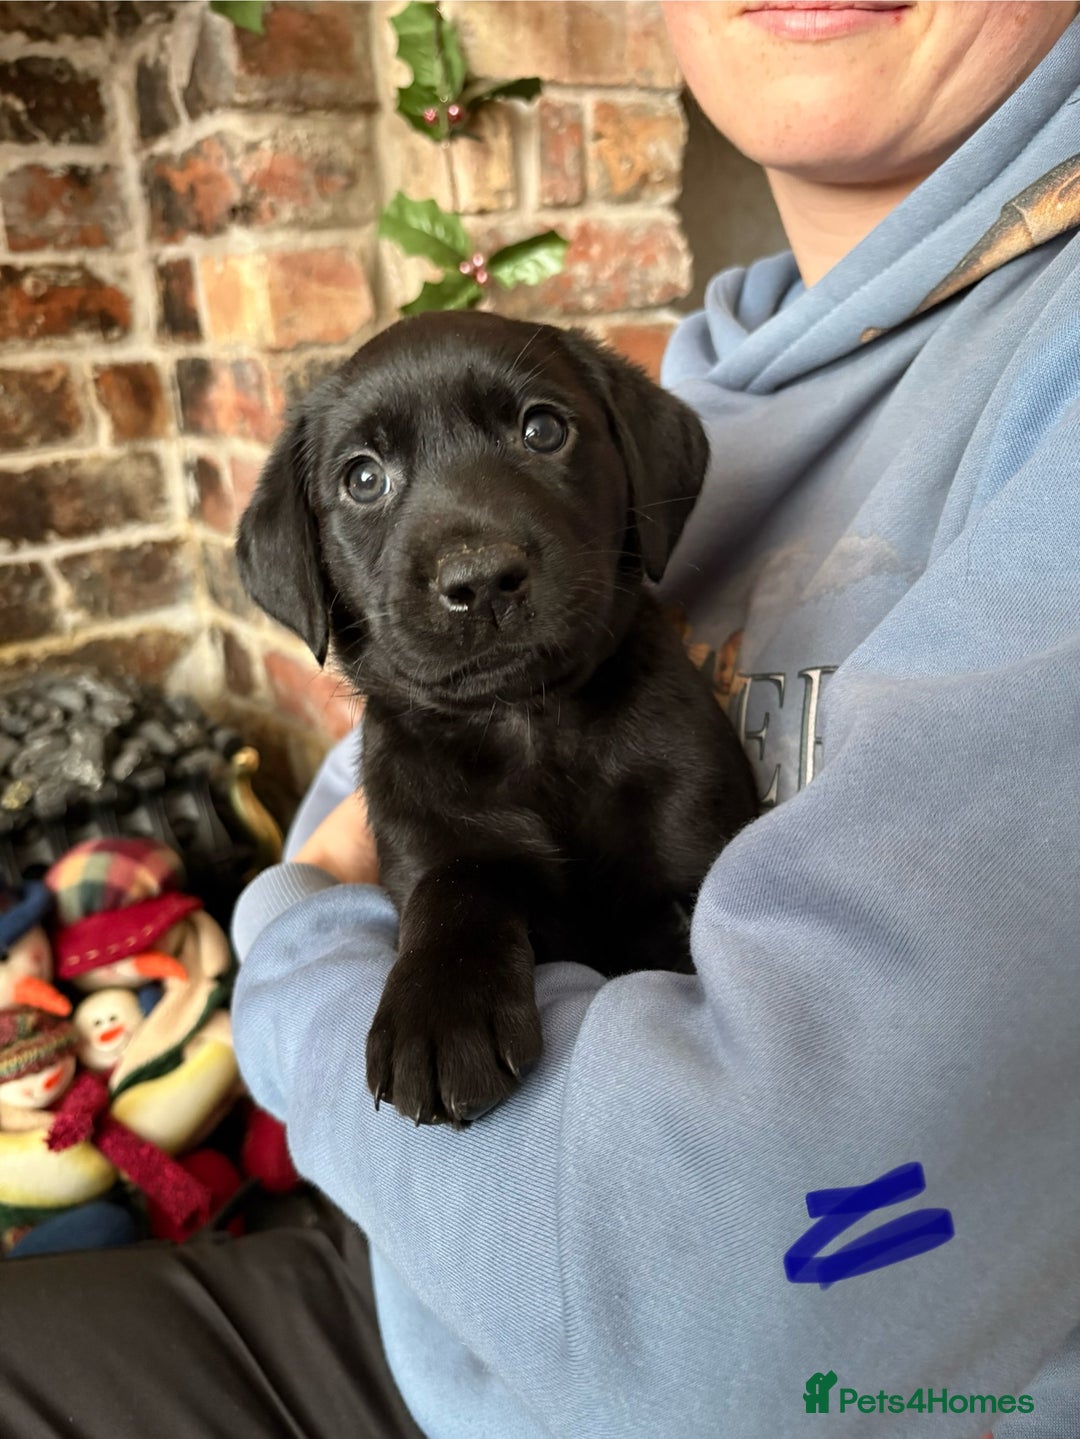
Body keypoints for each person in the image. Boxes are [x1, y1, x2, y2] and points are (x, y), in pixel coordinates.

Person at [3, 4, 1078, 1437]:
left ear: (628, 478)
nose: (480, 549)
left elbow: (772, 1256)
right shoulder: (699, 377)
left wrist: (293, 952)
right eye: (370, 485)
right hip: (442, 1283)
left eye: (538, 434)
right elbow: (388, 822)